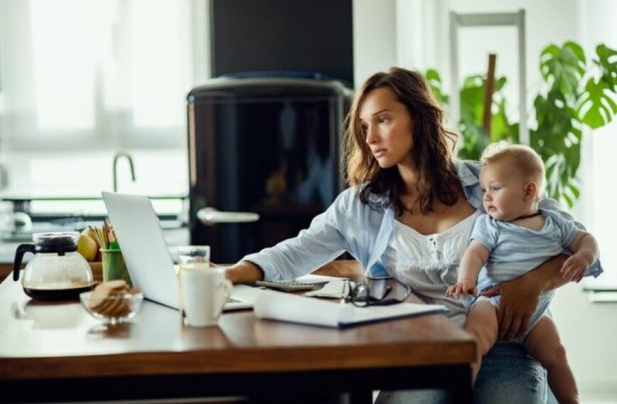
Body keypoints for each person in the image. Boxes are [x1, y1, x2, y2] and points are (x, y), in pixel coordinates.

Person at [225, 67, 602, 402]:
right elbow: (295, 253)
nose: (371, 137)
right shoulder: (359, 206)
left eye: (383, 120)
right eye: (364, 127)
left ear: (419, 118)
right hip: (422, 346)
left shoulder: (487, 183)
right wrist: (229, 273)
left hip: (506, 344)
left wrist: (533, 284)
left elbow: (574, 243)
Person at [446, 143, 599, 404]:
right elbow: (475, 253)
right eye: (484, 190)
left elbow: (587, 240)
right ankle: (460, 396)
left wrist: (583, 256)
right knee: (474, 344)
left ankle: (571, 400)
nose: (486, 198)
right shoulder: (491, 225)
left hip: (536, 314)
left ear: (529, 190)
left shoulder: (555, 224)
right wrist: (467, 280)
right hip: (491, 304)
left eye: (495, 188)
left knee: (557, 355)